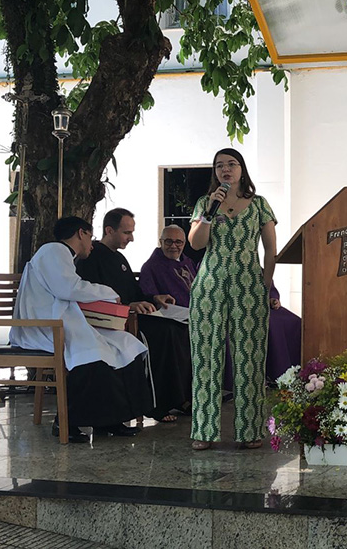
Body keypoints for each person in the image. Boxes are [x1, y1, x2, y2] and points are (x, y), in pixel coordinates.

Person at [9, 217, 151, 442]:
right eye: (90, 236)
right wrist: (108, 292)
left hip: (64, 325)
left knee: (127, 345)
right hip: (44, 328)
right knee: (92, 353)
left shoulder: (63, 255)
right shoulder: (53, 250)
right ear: (80, 233)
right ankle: (68, 421)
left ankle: (112, 420)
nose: (92, 244)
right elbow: (68, 288)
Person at [188, 148, 278, 450]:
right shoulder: (205, 203)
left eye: (231, 164)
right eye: (219, 166)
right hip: (209, 284)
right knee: (206, 357)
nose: (225, 169)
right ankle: (203, 431)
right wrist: (209, 214)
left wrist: (266, 284)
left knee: (249, 358)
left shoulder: (259, 204)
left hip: (249, 284)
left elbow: (271, 249)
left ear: (242, 169)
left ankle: (250, 430)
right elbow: (196, 244)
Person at [76, 209, 190, 423]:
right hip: (115, 322)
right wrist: (129, 306)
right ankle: (157, 404)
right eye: (127, 233)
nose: (132, 238)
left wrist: (155, 298)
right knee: (164, 333)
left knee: (179, 328)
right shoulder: (92, 258)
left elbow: (134, 292)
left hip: (134, 315)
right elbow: (92, 296)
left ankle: (180, 397)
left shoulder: (119, 258)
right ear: (109, 230)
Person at [139, 225, 198, 308]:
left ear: (184, 243)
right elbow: (148, 297)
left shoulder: (188, 263)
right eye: (168, 241)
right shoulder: (151, 267)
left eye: (178, 242)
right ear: (161, 242)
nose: (173, 246)